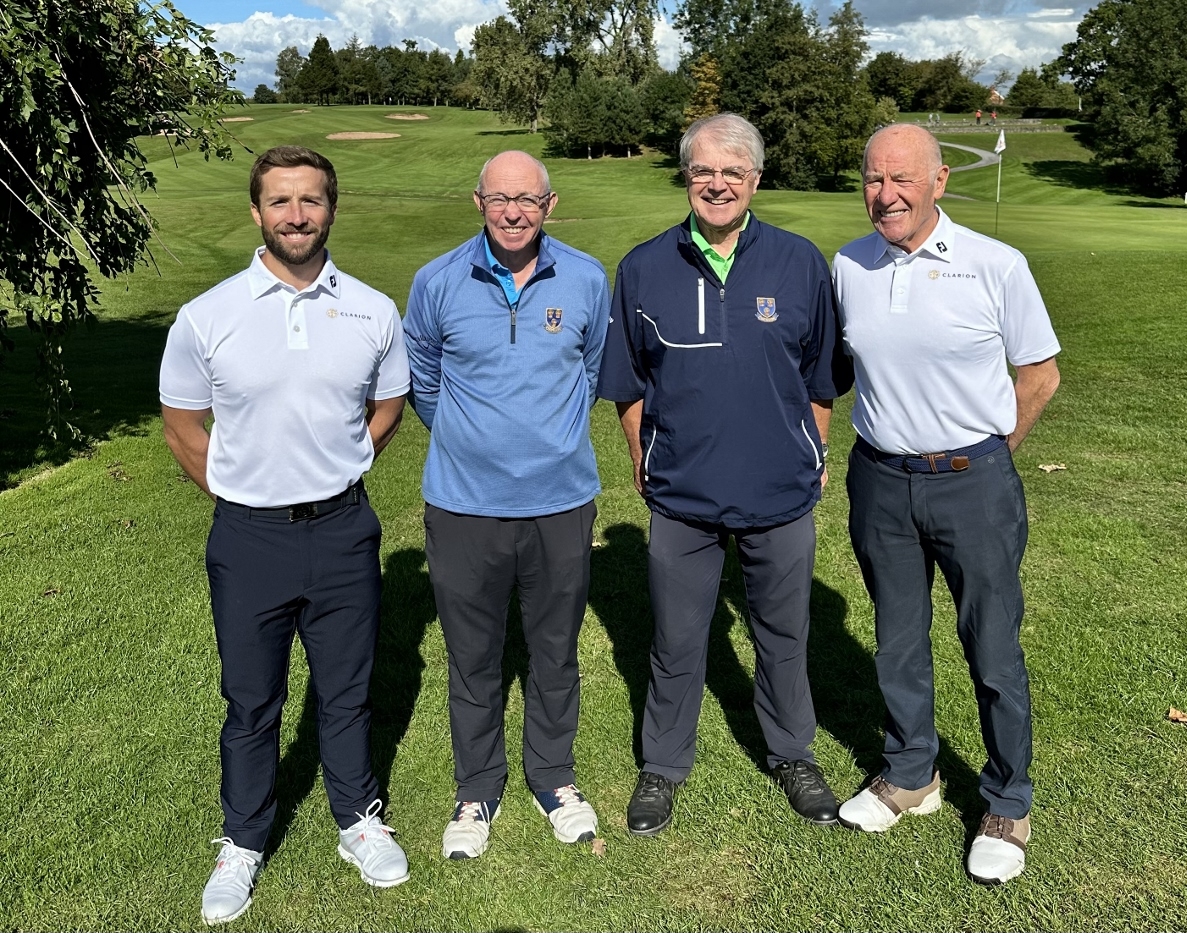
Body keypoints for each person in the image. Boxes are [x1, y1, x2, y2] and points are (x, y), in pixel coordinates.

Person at [159, 146, 411, 924]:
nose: (295, 215)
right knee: (251, 699)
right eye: (280, 202)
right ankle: (243, 838)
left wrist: (341, 466)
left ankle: (356, 818)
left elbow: (389, 404)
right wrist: (241, 493)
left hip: (342, 531)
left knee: (345, 691)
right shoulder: (209, 313)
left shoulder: (372, 308)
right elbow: (181, 422)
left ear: (332, 209)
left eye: (310, 200)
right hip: (249, 539)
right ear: (256, 212)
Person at [598, 113, 853, 836]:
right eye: (704, 171)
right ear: (687, 176)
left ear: (755, 181)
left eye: (733, 173)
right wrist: (640, 457)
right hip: (683, 493)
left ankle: (792, 753)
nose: (717, 184)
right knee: (677, 638)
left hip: (780, 490)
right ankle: (663, 764)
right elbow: (630, 384)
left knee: (783, 633)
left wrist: (816, 452)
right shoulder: (644, 266)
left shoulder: (800, 261)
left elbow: (820, 378)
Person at [831, 124, 1061, 884]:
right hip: (880, 479)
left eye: (901, 179)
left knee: (991, 645)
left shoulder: (996, 264)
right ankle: (911, 774)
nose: (885, 195)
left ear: (939, 183)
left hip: (974, 479)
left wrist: (991, 459)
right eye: (872, 179)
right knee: (897, 637)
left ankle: (1008, 798)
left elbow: (1039, 374)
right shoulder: (850, 264)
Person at [402, 151, 610, 860]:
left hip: (560, 502)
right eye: (500, 198)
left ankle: (553, 776)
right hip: (464, 505)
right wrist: (475, 441)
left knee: (554, 649)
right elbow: (423, 379)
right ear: (478, 201)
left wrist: (545, 441)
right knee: (473, 655)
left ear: (551, 203)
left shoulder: (585, 277)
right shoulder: (437, 280)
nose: (514, 211)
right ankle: (477, 786)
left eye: (528, 198)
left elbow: (588, 372)